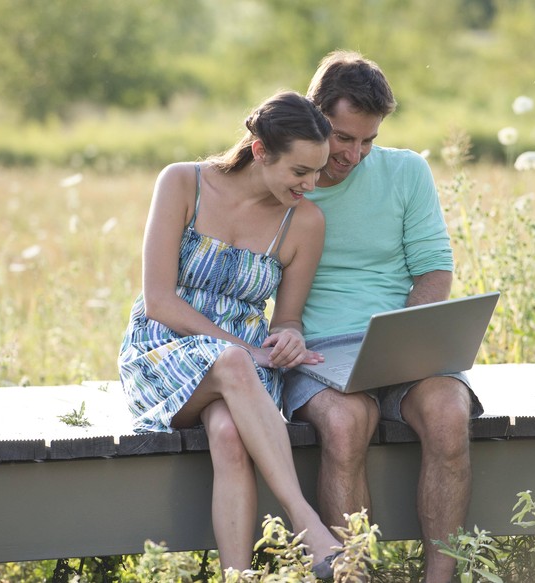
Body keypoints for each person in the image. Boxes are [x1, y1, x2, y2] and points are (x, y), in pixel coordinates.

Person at [117, 91, 341, 579]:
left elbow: (286, 319)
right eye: (300, 172)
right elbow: (158, 300)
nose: (311, 184)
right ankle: (308, 525)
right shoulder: (182, 183)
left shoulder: (305, 221)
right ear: (261, 151)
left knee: (227, 432)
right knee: (233, 365)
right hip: (163, 350)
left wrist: (289, 341)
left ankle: (236, 577)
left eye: (318, 172)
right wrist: (248, 351)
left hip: (244, 368)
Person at [281, 50, 485, 583]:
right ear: (314, 112)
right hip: (319, 350)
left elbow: (434, 270)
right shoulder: (286, 179)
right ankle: (354, 576)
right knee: (347, 424)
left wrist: (409, 338)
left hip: (398, 342)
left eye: (367, 139)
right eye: (343, 138)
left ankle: (440, 577)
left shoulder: (406, 171)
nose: (354, 153)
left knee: (449, 414)